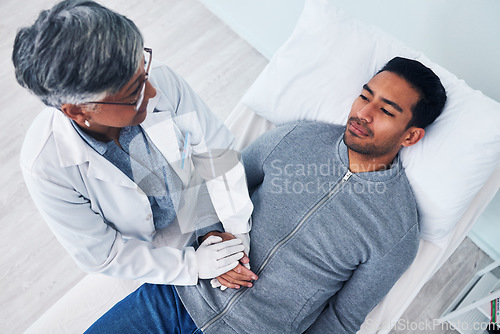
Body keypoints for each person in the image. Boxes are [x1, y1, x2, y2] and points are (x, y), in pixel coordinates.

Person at [85, 56, 447, 333]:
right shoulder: (297, 139)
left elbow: (341, 318)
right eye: (365, 96)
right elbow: (217, 180)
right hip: (177, 296)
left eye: (385, 110)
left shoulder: (396, 231)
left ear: (411, 135)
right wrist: (211, 237)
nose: (363, 113)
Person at [14, 0, 255, 286]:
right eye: (133, 92)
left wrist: (231, 233)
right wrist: (190, 266)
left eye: (143, 70)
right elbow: (103, 253)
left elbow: (215, 154)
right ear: (78, 111)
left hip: (198, 207)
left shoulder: (161, 81)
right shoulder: (45, 165)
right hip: (151, 251)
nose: (152, 91)